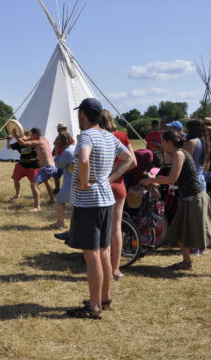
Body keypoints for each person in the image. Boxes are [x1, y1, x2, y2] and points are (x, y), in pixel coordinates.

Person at [66, 98, 134, 319]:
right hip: (106, 201)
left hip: (89, 204)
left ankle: (94, 306)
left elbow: (84, 160)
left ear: (83, 115)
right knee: (104, 250)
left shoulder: (86, 136)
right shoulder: (109, 136)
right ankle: (104, 299)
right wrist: (109, 178)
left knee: (91, 253)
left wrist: (85, 183)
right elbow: (129, 159)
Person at [139, 130, 211, 277]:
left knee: (209, 234)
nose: (161, 144)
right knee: (179, 230)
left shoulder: (179, 154)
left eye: (163, 141)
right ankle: (187, 262)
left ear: (169, 142)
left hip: (195, 199)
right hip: (188, 199)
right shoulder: (177, 153)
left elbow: (172, 178)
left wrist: (150, 180)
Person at [99, 110, 137, 280]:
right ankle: (115, 269)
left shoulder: (97, 136)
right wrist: (117, 172)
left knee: (100, 228)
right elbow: (133, 162)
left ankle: (101, 266)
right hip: (118, 185)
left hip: (101, 185)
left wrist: (109, 172)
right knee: (116, 228)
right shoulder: (122, 136)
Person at [15, 128, 56, 209]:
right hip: (50, 167)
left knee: (33, 184)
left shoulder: (38, 142)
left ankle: (37, 206)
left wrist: (15, 136)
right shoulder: (43, 139)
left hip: (47, 168)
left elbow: (23, 143)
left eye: (31, 135)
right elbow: (27, 139)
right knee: (46, 182)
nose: (30, 136)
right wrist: (23, 137)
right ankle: (52, 199)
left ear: (35, 135)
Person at [51, 132, 75, 229]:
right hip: (76, 179)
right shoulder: (74, 148)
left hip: (70, 181)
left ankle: (60, 223)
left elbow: (59, 165)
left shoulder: (67, 152)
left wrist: (57, 155)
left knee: (60, 199)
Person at [6, 130, 39, 201]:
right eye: (21, 136)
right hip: (21, 165)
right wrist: (8, 140)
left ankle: (36, 196)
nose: (22, 138)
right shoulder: (18, 143)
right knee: (15, 179)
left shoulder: (33, 143)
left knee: (34, 183)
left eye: (24, 136)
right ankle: (17, 194)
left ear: (29, 137)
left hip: (32, 166)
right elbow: (8, 147)